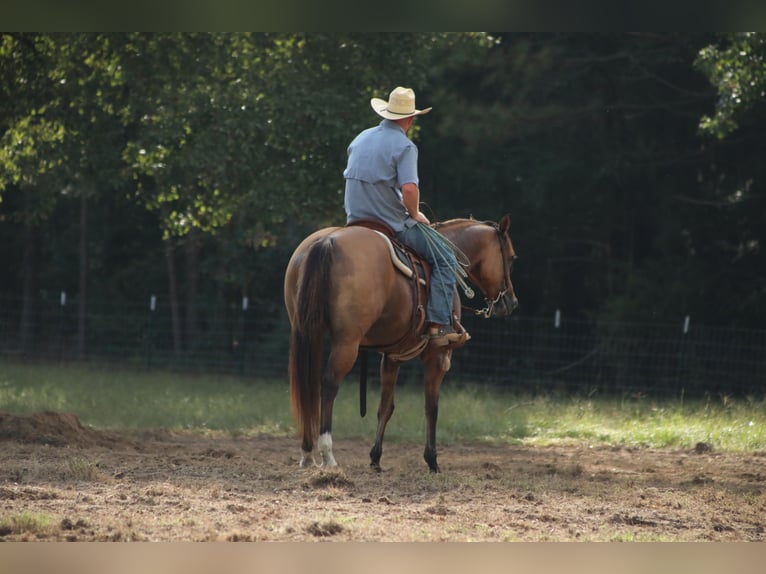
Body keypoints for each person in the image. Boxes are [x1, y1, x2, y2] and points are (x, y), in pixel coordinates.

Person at [343, 86, 468, 347]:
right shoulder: (405, 146)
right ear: (410, 119)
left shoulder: (360, 138)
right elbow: (409, 188)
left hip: (354, 220)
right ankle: (437, 326)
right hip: (390, 224)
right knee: (446, 257)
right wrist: (415, 213)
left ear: (387, 113)